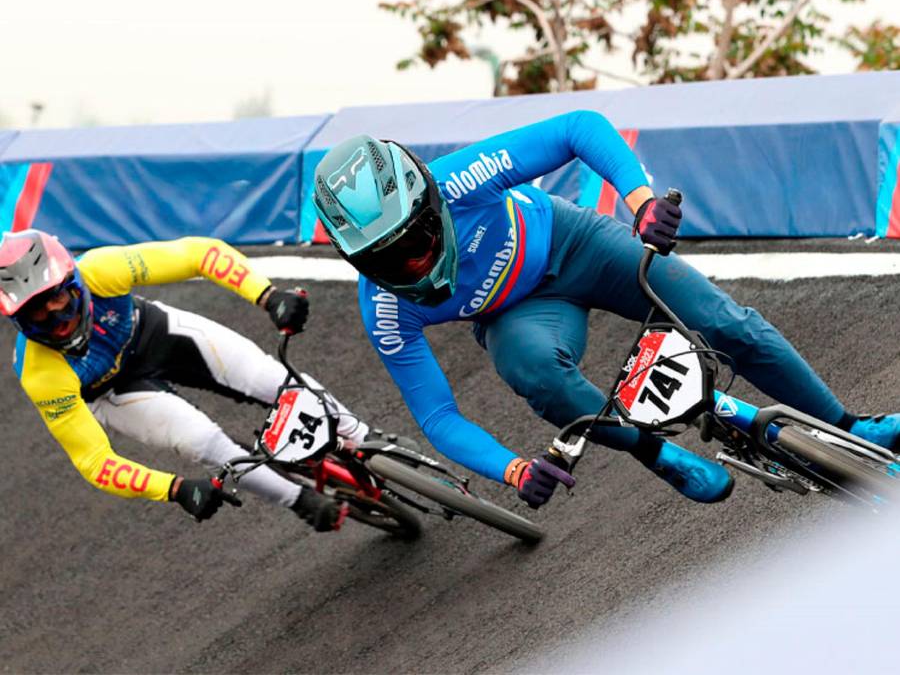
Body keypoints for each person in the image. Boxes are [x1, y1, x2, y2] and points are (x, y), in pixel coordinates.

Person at [311, 110, 900, 509]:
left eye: (417, 242)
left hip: (575, 245)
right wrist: (512, 470)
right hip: (519, 316)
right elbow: (438, 419)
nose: (414, 266)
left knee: (723, 322)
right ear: (356, 261)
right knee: (533, 371)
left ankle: (849, 427)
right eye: (387, 262)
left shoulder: (459, 179)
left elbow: (578, 127)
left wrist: (640, 201)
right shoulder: (384, 311)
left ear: (430, 199)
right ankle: (657, 452)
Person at [1, 231, 367, 530]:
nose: (58, 320)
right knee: (203, 443)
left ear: (75, 281)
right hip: (112, 392)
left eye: (61, 300)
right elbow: (95, 461)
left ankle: (364, 438)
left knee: (270, 378)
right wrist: (174, 489)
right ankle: (299, 500)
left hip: (151, 332)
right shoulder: (40, 374)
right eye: (37, 314)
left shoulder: (100, 269)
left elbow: (198, 255)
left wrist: (267, 296)